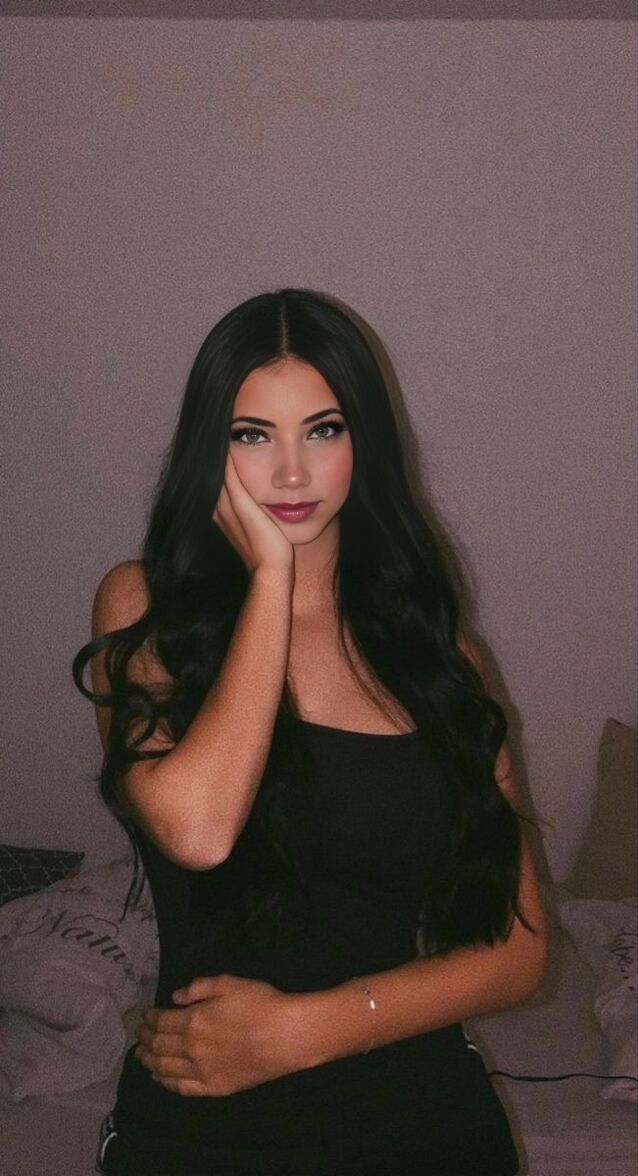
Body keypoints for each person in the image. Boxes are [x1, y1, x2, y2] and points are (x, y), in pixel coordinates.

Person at [73, 288, 547, 1176]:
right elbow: (198, 830)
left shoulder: (439, 653)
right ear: (209, 449)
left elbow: (519, 953)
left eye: (323, 429)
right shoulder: (146, 611)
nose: (291, 473)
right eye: (252, 435)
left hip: (424, 1121)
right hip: (206, 1134)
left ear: (365, 443)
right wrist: (270, 581)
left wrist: (303, 1032)